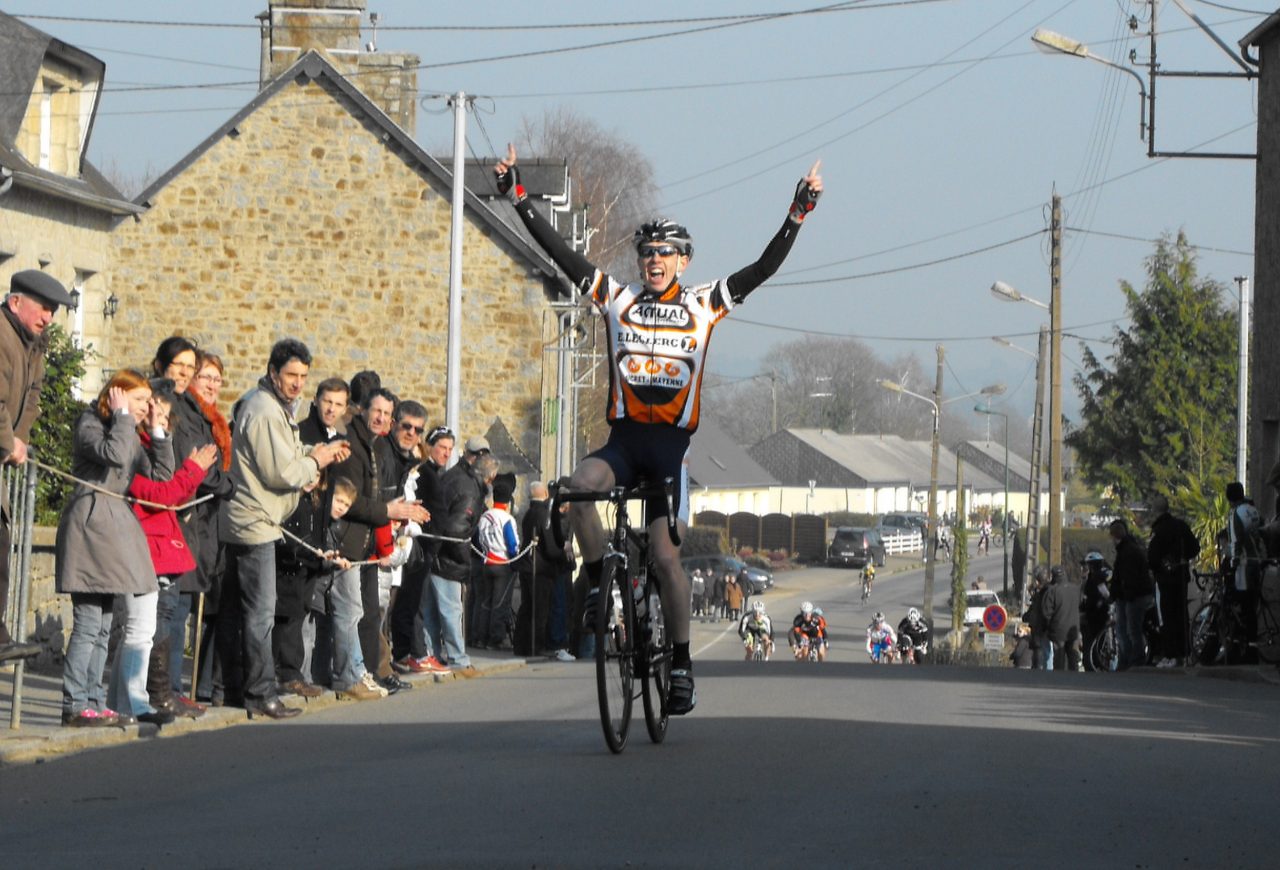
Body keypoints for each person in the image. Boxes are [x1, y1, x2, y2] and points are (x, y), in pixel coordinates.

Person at [496, 144, 822, 715]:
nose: (654, 261)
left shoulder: (704, 305)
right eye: (647, 252)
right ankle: (599, 581)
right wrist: (519, 196)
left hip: (670, 451)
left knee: (668, 560)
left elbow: (763, 268)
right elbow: (563, 255)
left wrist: (796, 213)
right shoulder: (616, 299)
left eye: (666, 254)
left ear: (684, 261)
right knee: (575, 491)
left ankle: (680, 665)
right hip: (623, 444)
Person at [221, 338, 350, 719]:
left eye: (303, 376)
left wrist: (310, 462)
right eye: (291, 375)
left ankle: (236, 688)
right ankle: (259, 693)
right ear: (273, 372)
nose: (297, 383)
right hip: (254, 522)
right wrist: (319, 460)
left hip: (261, 519)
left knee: (246, 611)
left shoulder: (276, 407)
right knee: (260, 614)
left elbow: (287, 464)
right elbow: (280, 472)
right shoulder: (263, 409)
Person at [56, 371, 172, 727]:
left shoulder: (128, 431)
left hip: (111, 533)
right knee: (88, 624)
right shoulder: (90, 423)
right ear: (118, 397)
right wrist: (123, 417)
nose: (145, 407)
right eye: (139, 401)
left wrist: (156, 431)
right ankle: (74, 704)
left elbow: (160, 477)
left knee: (105, 626)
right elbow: (115, 453)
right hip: (89, 529)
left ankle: (93, 698)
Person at [1, 270, 75, 662]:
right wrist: (6, 439)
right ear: (16, 302)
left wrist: (22, 438)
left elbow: (32, 398)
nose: (49, 317)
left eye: (54, 311)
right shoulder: (1, 335)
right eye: (43, 308)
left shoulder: (32, 344)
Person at [429, 436, 498, 679]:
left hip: (435, 551)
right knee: (451, 610)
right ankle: (458, 658)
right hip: (448, 556)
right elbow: (457, 531)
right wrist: (463, 561)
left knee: (432, 612)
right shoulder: (468, 489)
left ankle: (433, 655)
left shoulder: (454, 477)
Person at [1146, 493, 1200, 668]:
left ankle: (1171, 654)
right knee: (1182, 614)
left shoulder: (1159, 530)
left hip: (1165, 579)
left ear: (1155, 511)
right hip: (1182, 575)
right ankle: (1185, 653)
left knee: (1166, 616)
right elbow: (1195, 547)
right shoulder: (1181, 526)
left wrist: (1158, 567)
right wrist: (1181, 558)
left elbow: (1152, 557)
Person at [475, 472, 520, 651]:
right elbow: (512, 544)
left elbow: (479, 539)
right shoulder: (507, 518)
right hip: (502, 564)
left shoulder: (485, 517)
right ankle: (496, 639)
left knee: (486, 602)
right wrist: (514, 557)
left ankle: (480, 637)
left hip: (486, 561)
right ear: (508, 501)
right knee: (500, 603)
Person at [1226, 481, 1264, 661]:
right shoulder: (1253, 509)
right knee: (1252, 607)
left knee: (1243, 607)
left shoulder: (1236, 514)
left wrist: (1232, 564)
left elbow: (1235, 542)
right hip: (1258, 561)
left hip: (1244, 565)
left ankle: (1244, 650)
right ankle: (1252, 646)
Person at [1110, 519, 1153, 670]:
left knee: (1129, 630)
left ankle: (1133, 660)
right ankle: (1130, 659)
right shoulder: (1131, 548)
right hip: (1132, 595)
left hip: (1132, 596)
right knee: (1130, 629)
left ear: (1115, 536)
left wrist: (1122, 593)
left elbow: (1127, 577)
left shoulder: (1126, 551)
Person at [1040, 564, 1081, 671]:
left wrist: (1048, 627)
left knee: (1059, 659)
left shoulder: (1052, 591)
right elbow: (1081, 606)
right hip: (1074, 629)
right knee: (1073, 657)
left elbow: (1046, 613)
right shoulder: (1076, 589)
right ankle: (1075, 680)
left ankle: (1059, 680)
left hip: (1058, 630)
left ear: (1053, 576)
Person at [1078, 550, 1112, 667]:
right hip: (1096, 613)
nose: (1083, 568)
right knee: (1097, 641)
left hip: (1095, 615)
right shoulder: (1101, 575)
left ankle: (1094, 663)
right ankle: (1096, 663)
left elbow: (1104, 594)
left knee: (1092, 641)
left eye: (1085, 565)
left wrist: (1100, 603)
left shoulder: (1096, 578)